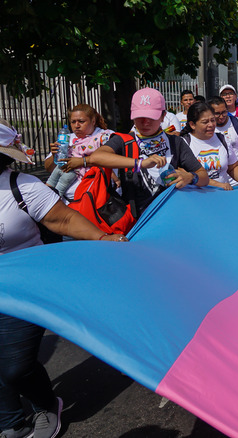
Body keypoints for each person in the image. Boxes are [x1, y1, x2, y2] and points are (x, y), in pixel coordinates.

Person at [0, 120, 128, 438]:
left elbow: (64, 218)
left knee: (15, 365)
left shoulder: (23, 185)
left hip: (24, 288)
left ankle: (46, 405)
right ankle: (10, 420)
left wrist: (102, 238)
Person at [89, 87, 208, 217]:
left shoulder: (175, 142)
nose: (145, 122)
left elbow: (204, 177)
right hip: (138, 222)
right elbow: (96, 157)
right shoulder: (124, 141)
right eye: (140, 117)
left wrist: (190, 177)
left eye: (151, 117)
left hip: (174, 217)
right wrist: (140, 163)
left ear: (163, 116)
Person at [44, 104, 114, 200]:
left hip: (96, 199)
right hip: (67, 201)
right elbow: (48, 168)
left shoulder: (105, 136)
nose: (76, 126)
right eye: (73, 122)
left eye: (81, 121)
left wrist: (82, 161)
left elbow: (110, 159)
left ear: (93, 121)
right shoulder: (67, 138)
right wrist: (54, 155)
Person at [180, 102, 238, 191]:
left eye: (213, 120)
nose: (211, 125)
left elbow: (233, 166)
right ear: (192, 125)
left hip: (222, 195)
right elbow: (183, 174)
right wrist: (218, 185)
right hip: (196, 197)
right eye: (205, 122)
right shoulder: (183, 143)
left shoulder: (222, 139)